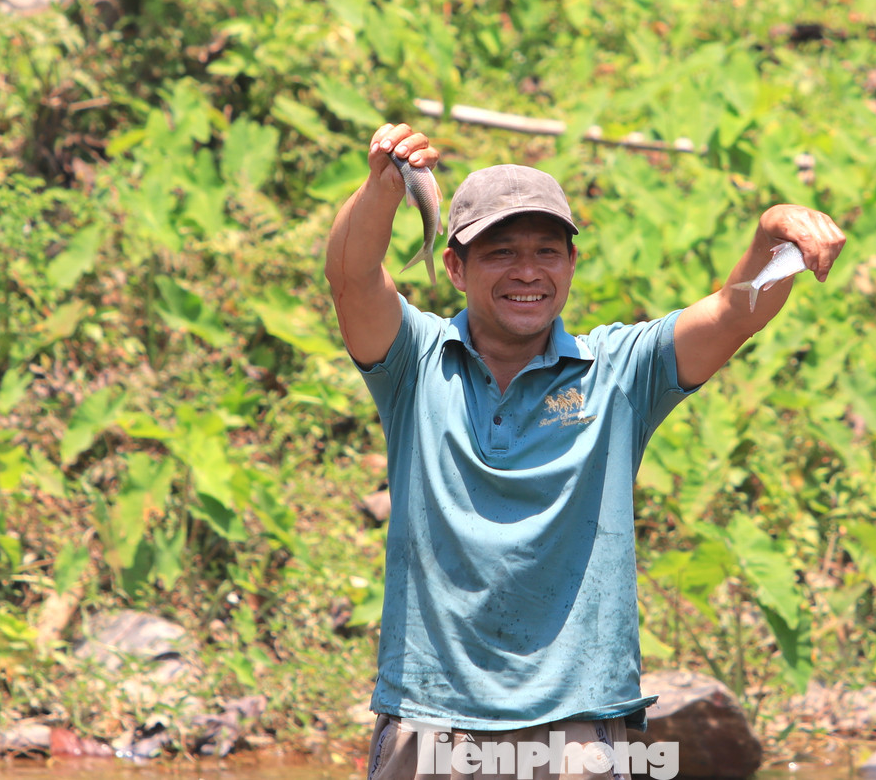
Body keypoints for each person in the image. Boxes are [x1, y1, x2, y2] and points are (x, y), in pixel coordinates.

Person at [325, 123, 845, 780]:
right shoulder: (415, 363)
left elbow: (734, 311)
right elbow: (351, 278)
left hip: (577, 728)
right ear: (454, 268)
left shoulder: (620, 371)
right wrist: (382, 188)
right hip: (432, 719)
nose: (527, 272)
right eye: (499, 253)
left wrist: (774, 236)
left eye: (548, 251)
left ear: (572, 264)